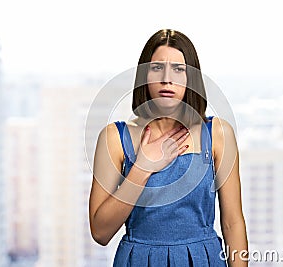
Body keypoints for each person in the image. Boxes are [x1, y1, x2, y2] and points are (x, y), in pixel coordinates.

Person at [89, 29, 248, 266]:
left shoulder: (217, 134)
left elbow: (232, 222)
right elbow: (100, 232)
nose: (167, 78)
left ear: (191, 78)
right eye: (156, 68)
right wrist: (142, 168)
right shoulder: (114, 138)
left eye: (178, 69)